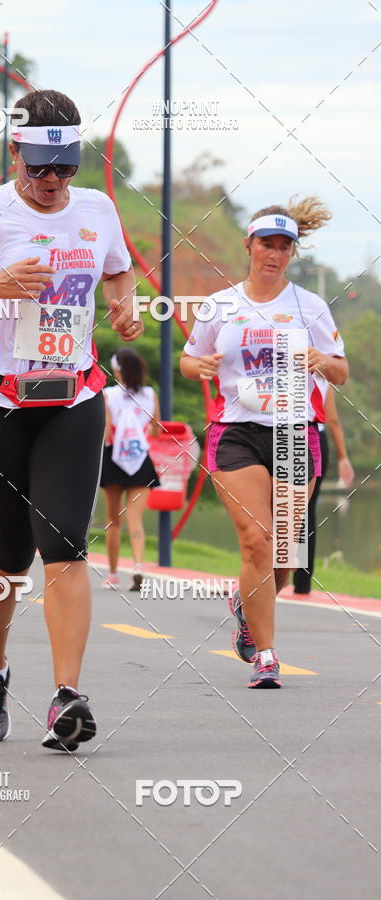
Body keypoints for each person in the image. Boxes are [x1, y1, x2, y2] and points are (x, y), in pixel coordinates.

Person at [0, 90, 141, 751]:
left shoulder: (97, 211)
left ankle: (68, 696)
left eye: (63, 168)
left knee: (65, 543)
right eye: (38, 166)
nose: (50, 182)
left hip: (73, 400)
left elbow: (120, 275)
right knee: (10, 555)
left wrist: (125, 309)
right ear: (14, 152)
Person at [180, 197, 348, 689]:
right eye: (266, 245)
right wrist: (202, 367)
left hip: (296, 434)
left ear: (292, 253)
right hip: (236, 432)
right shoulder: (221, 304)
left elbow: (340, 370)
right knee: (255, 539)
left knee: (282, 555)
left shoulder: (310, 307)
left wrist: (321, 360)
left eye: (283, 247)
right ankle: (267, 655)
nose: (273, 255)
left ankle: (243, 603)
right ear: (248, 246)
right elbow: (190, 360)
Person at [100, 349, 160, 591]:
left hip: (113, 457)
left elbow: (105, 432)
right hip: (139, 459)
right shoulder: (149, 395)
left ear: (117, 370)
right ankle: (137, 566)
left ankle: (113, 575)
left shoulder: (108, 395)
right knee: (135, 520)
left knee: (113, 521)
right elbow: (156, 431)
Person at [293, 388, 354, 594]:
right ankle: (302, 584)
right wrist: (343, 457)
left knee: (282, 507)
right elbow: (333, 420)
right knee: (307, 510)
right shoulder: (321, 372)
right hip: (315, 439)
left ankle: (271, 575)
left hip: (286, 436)